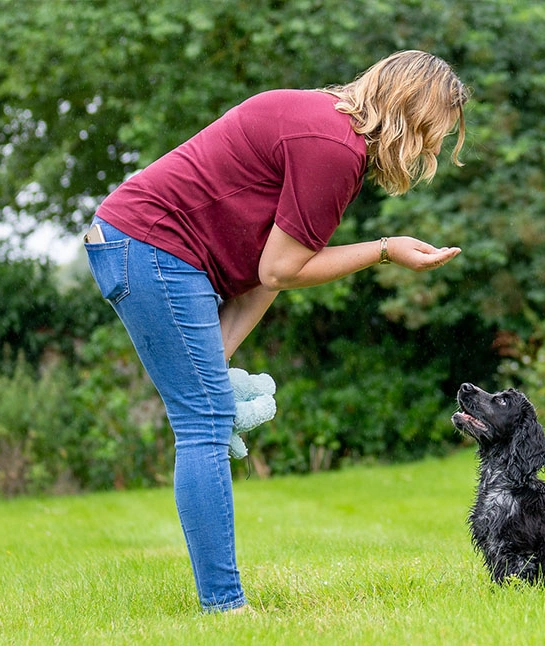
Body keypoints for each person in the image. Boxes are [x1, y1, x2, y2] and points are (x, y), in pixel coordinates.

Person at [83, 50, 469, 613]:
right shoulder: (333, 148)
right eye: (437, 133)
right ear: (412, 111)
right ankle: (224, 606)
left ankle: (222, 600)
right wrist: (385, 250)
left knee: (206, 412)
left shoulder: (327, 132)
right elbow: (281, 269)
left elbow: (269, 274)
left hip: (142, 246)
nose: (434, 151)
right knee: (204, 423)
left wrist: (217, 360)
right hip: (149, 245)